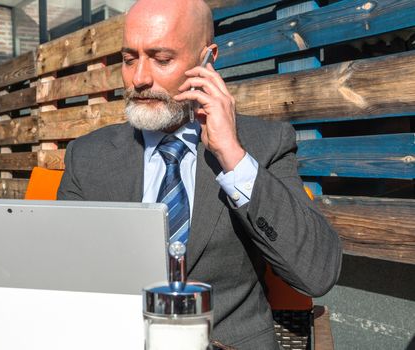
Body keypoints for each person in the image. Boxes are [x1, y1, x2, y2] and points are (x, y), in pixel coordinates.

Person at [57, 0, 342, 348]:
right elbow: (66, 279)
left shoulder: (264, 144)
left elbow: (318, 272)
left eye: (162, 59)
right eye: (129, 59)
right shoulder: (88, 156)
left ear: (207, 59)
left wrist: (234, 158)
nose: (139, 78)